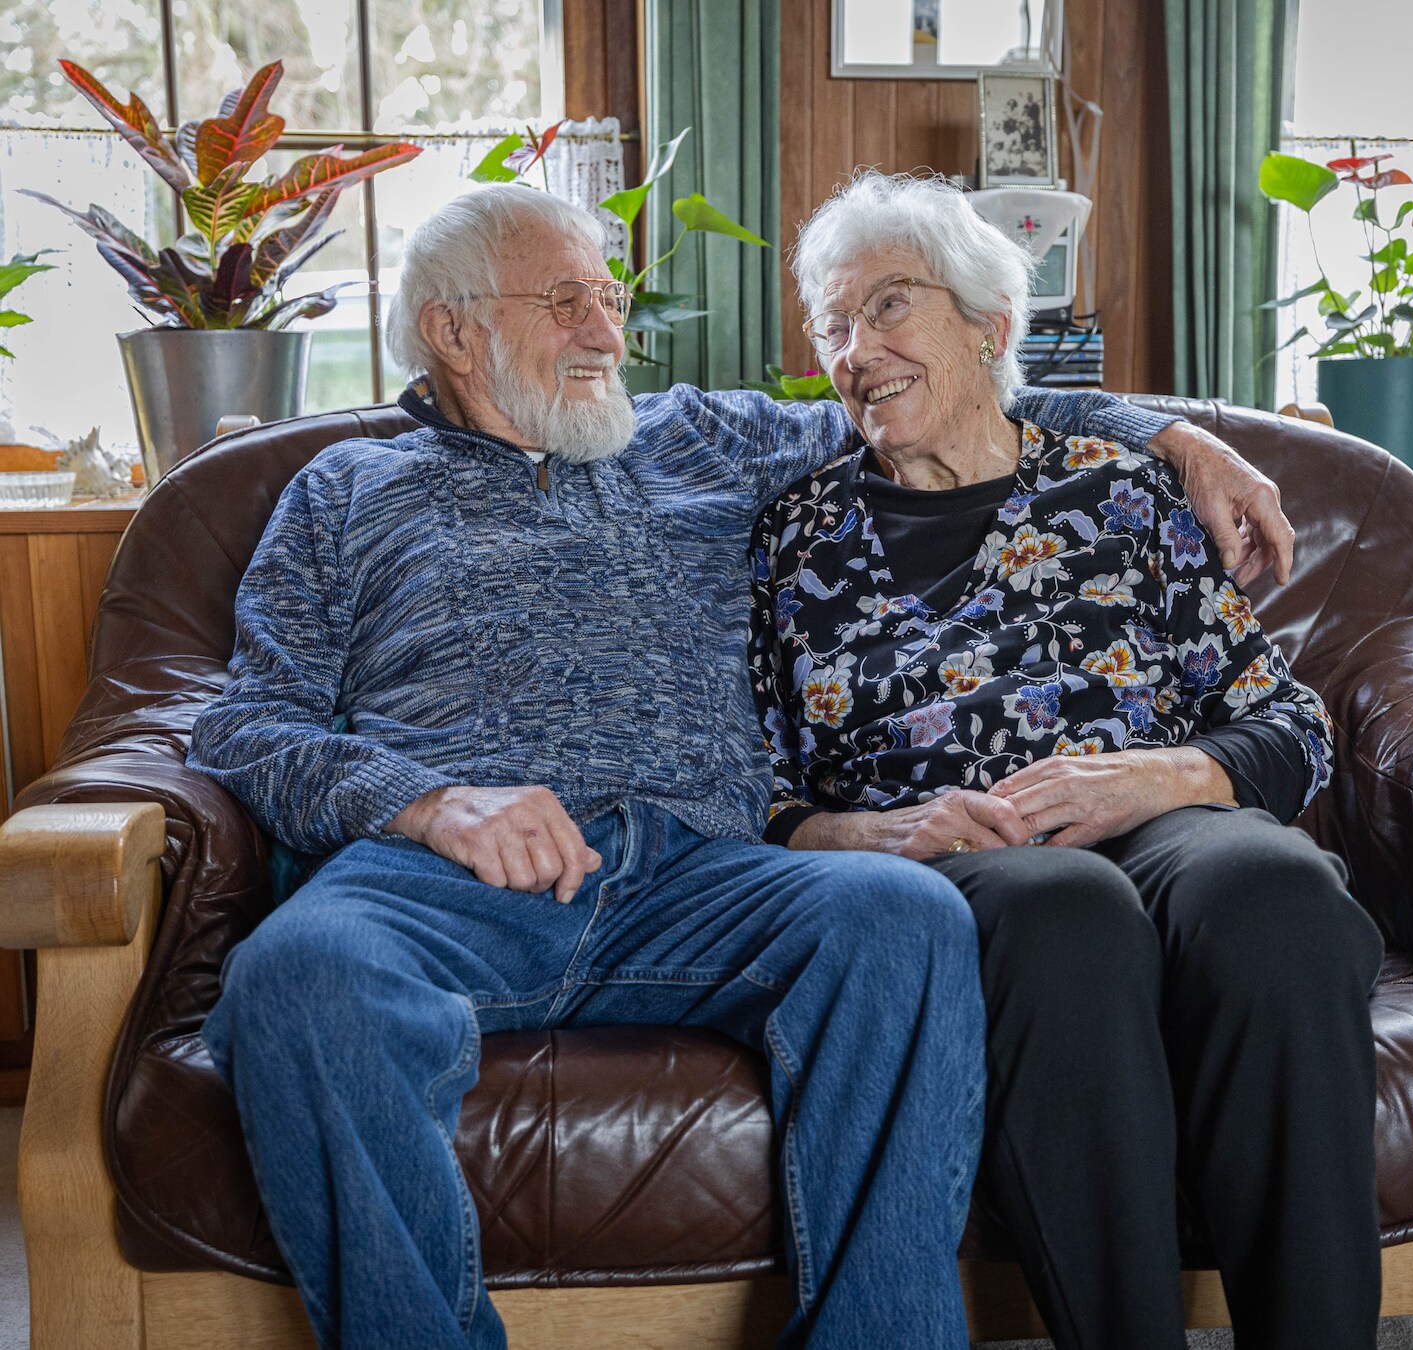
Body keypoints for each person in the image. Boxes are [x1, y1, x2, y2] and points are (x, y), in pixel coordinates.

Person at [186, 182, 1290, 1350]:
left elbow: (944, 389)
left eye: (609, 300)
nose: (607, 333)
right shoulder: (344, 493)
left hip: (700, 872)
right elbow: (248, 723)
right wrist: (430, 804)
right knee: (295, 976)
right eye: (565, 303)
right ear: (452, 331)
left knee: (902, 917)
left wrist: (1175, 437)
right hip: (449, 882)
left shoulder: (696, 439)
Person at [748, 173, 1387, 1350]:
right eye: (832, 327)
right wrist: (869, 833)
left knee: (1276, 890)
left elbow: (1290, 727)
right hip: (960, 854)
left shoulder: (1124, 494)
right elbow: (758, 785)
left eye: (888, 307)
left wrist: (1162, 775)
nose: (856, 350)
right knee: (1064, 909)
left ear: (988, 328)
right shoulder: (795, 537)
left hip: (1160, 815)